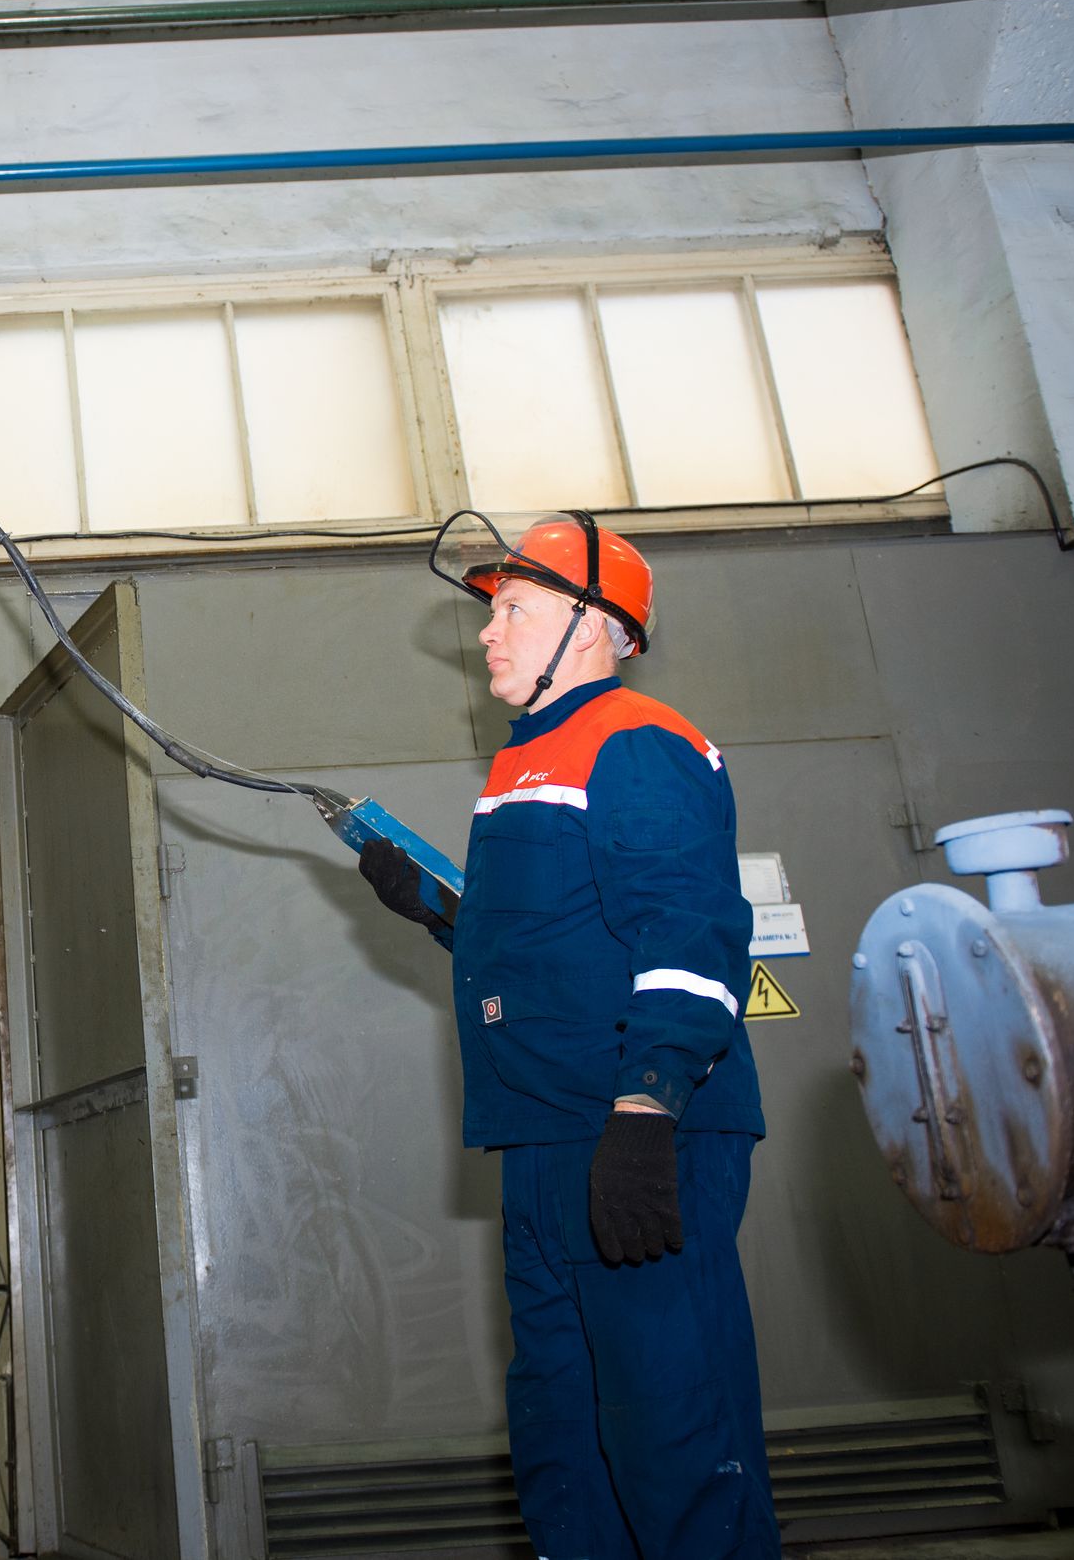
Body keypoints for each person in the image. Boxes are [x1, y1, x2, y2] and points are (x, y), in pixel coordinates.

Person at [359, 512, 776, 1560]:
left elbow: (689, 937)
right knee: (564, 1426)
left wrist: (645, 1110)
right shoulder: (524, 763)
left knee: (670, 1422)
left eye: (513, 609)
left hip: (631, 1131)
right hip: (544, 1137)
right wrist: (439, 910)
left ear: (591, 625)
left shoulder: (635, 740)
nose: (487, 632)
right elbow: (554, 943)